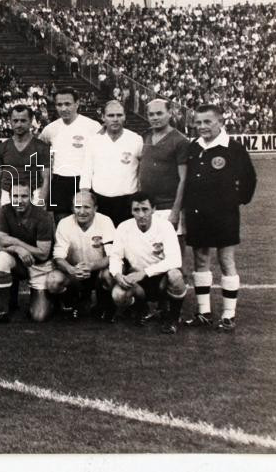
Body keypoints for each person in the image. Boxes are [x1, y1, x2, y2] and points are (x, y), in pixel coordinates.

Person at [182, 104, 256, 331]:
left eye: (207, 122)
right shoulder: (193, 147)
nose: (202, 126)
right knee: (200, 259)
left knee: (226, 260)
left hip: (224, 215)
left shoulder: (233, 148)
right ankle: (203, 312)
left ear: (221, 123)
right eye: (198, 122)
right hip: (197, 214)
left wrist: (234, 201)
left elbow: (249, 180)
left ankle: (228, 315)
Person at [108, 192, 187, 334]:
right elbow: (115, 256)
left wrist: (145, 273)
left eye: (145, 209)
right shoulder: (123, 227)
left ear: (154, 209)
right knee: (118, 295)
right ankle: (140, 308)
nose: (141, 214)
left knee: (175, 275)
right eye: (136, 210)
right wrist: (117, 274)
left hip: (161, 279)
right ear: (131, 211)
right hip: (137, 280)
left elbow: (175, 260)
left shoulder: (165, 226)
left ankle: (173, 317)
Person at [0, 182, 57, 324]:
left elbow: (43, 253)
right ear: (10, 197)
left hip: (40, 266)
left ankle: (49, 298)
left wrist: (16, 242)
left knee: (39, 316)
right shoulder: (5, 211)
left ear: (31, 197)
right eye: (15, 196)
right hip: (19, 262)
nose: (19, 200)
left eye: (24, 196)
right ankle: (3, 310)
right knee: (2, 258)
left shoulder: (43, 216)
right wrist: (18, 249)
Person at [38, 87, 101, 223]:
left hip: (84, 181)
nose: (63, 108)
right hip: (59, 181)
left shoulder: (93, 126)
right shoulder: (50, 129)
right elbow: (40, 150)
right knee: (62, 224)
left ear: (77, 104)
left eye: (67, 104)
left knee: (86, 222)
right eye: (59, 104)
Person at [51, 191, 116, 321]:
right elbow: (58, 256)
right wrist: (71, 269)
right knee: (53, 280)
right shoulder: (64, 223)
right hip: (75, 271)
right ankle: (72, 302)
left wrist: (92, 266)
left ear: (95, 208)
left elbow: (112, 255)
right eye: (77, 207)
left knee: (109, 274)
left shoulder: (105, 221)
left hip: (98, 271)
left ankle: (104, 305)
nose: (82, 211)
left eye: (87, 207)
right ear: (72, 208)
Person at [80, 100, 143, 227]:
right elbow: (87, 170)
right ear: (103, 117)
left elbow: (142, 171)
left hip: (127, 201)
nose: (115, 119)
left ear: (125, 116)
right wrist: (84, 194)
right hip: (100, 200)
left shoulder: (136, 139)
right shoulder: (93, 140)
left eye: (119, 115)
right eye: (111, 115)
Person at [139, 99, 190, 244]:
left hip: (168, 207)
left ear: (170, 113)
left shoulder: (180, 141)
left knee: (174, 251)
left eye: (159, 113)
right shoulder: (145, 136)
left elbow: (184, 179)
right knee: (149, 250)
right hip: (148, 206)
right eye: (151, 114)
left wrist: (175, 211)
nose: (155, 117)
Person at [0, 104, 50, 213]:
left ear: (30, 121)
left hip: (33, 194)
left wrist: (40, 204)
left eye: (23, 120)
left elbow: (46, 179)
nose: (19, 124)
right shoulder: (2, 148)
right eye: (15, 121)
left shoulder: (41, 147)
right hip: (7, 194)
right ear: (10, 122)